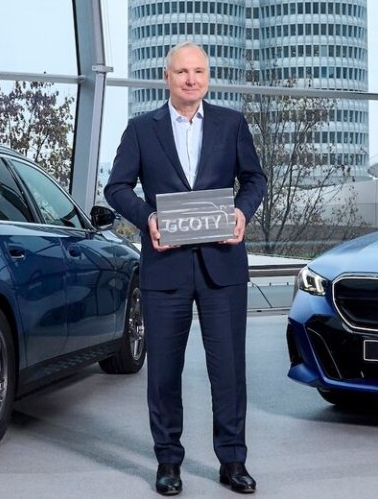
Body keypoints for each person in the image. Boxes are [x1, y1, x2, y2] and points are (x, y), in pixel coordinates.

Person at [105, 41, 267, 496]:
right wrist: (148, 218)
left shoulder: (231, 124)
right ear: (167, 77)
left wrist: (242, 212)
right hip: (165, 267)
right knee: (163, 373)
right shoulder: (142, 130)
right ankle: (168, 462)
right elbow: (116, 188)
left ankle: (233, 461)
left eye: (198, 71)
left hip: (222, 267)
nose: (191, 79)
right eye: (182, 72)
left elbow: (254, 178)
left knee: (229, 371)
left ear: (207, 77)